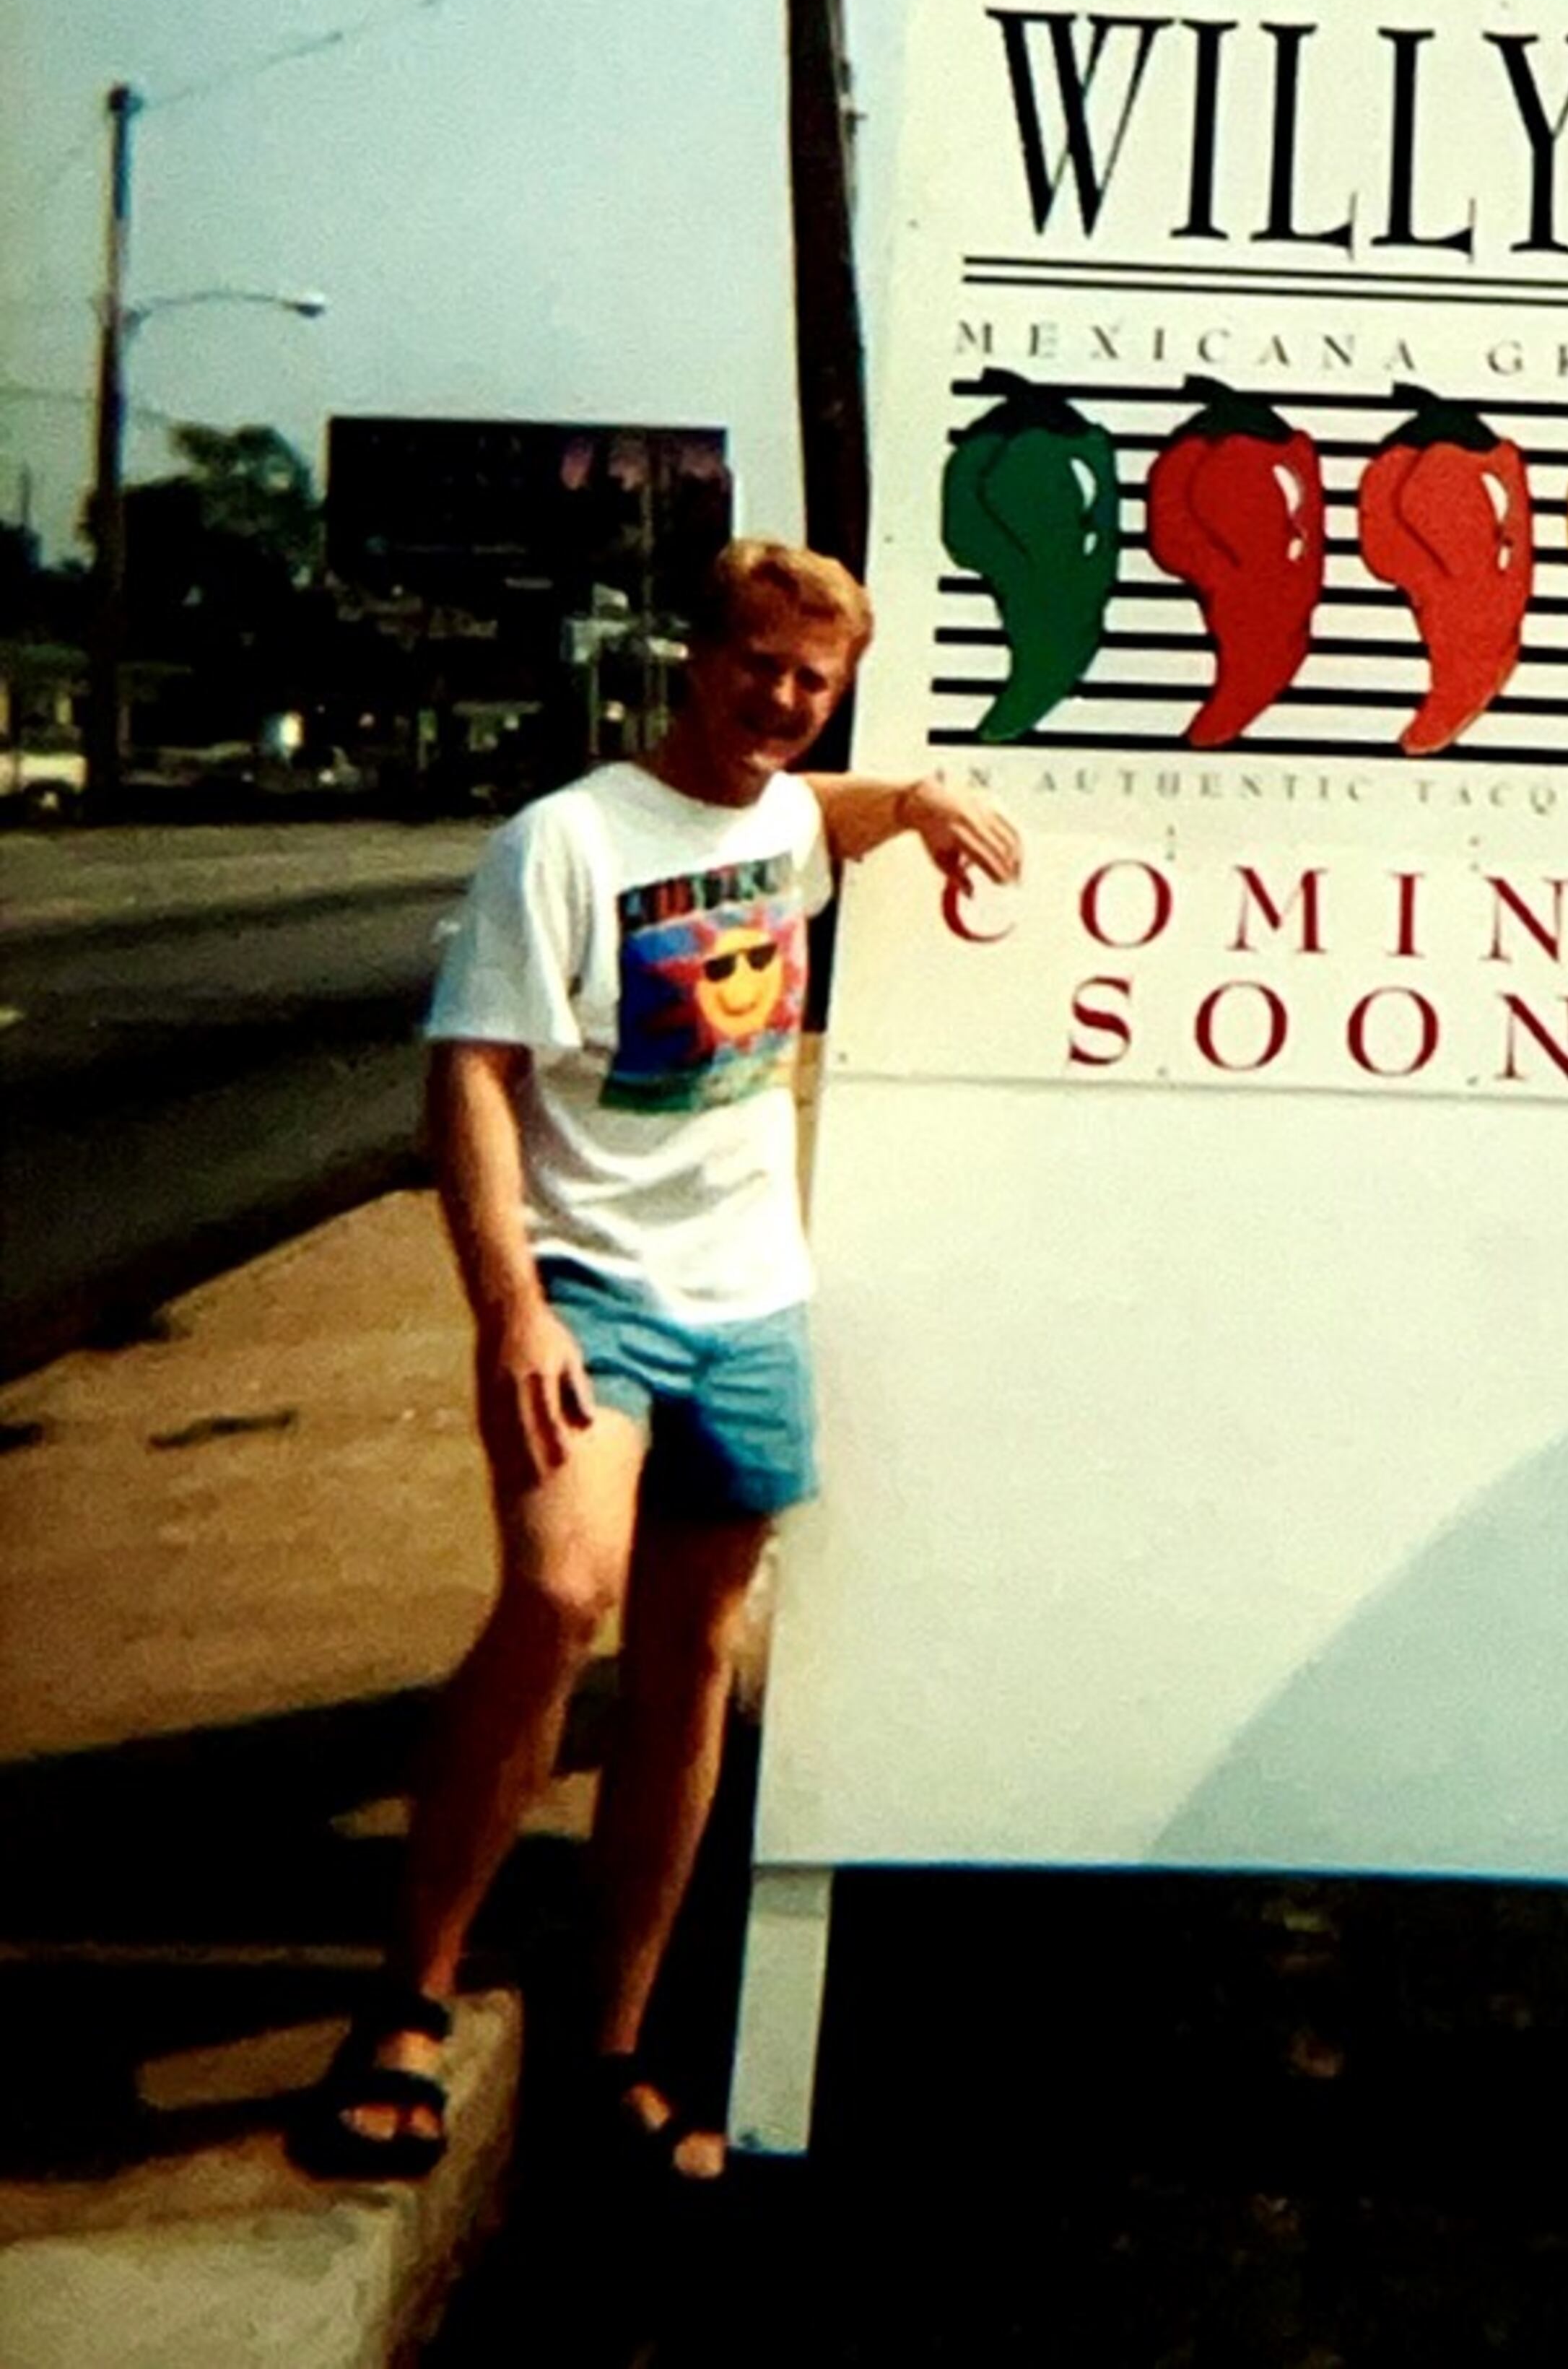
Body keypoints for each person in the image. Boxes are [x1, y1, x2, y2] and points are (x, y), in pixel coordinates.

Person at [295, 538, 1022, 2188]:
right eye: (755, 662)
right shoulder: (558, 842)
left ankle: (615, 2045)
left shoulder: (784, 818)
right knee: (559, 1592)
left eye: (810, 680)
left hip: (751, 1300)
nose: (778, 699)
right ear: (693, 659)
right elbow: (471, 1076)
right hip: (591, 1286)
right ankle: (411, 2000)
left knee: (695, 1657)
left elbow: (808, 815)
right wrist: (512, 1309)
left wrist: (906, 802)